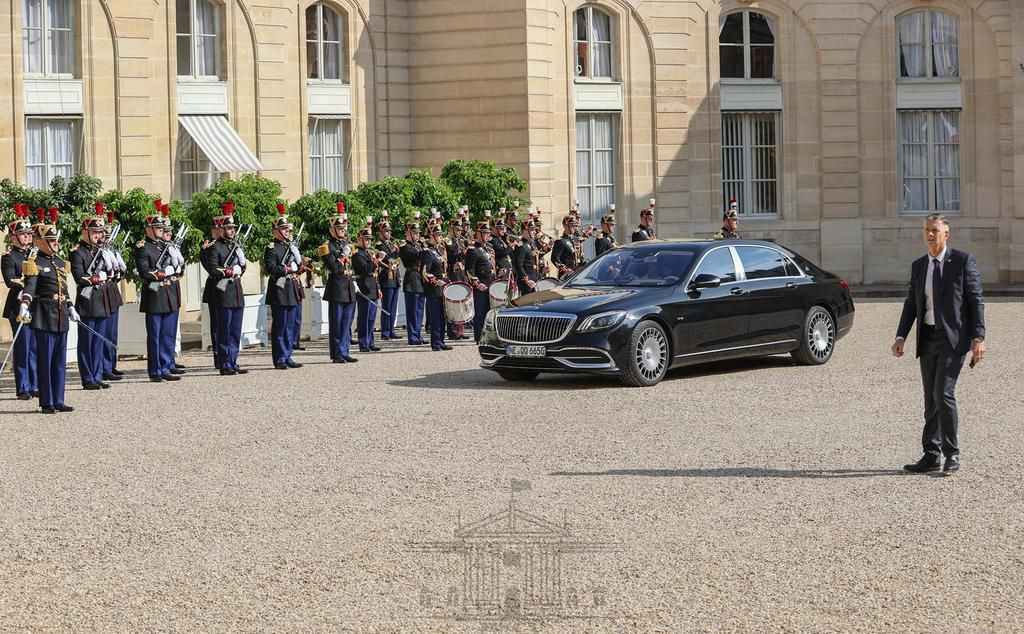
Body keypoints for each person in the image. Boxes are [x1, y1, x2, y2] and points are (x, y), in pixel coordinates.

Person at [892, 214, 986, 474]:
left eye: (934, 230)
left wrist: (979, 337)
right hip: (928, 337)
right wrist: (901, 336)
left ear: (947, 234)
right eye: (926, 230)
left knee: (942, 393)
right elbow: (912, 303)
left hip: (953, 338)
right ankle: (931, 455)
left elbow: (975, 300)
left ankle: (952, 454)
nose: (929, 234)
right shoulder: (919, 265)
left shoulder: (963, 262)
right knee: (930, 400)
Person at [19, 212, 75, 413]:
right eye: (50, 240)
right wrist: (25, 304)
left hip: (61, 316)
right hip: (44, 315)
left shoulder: (59, 262)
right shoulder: (36, 263)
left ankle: (59, 399)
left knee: (59, 362)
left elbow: (64, 288)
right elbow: (30, 287)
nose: (55, 243)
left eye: (55, 240)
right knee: (46, 361)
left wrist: (70, 306)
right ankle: (47, 402)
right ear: (40, 242)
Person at [135, 209, 183, 383]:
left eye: (162, 228)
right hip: (155, 297)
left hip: (169, 295)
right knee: (155, 336)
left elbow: (177, 269)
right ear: (149, 229)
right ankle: (155, 370)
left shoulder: (164, 246)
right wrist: (164, 273)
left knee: (168, 334)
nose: (162, 231)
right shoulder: (143, 247)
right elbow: (145, 273)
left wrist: (177, 265)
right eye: (158, 228)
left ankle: (165, 366)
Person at [203, 201, 249, 376]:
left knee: (235, 331)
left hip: (236, 293)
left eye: (233, 228)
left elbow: (242, 269)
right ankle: (224, 363)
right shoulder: (215, 247)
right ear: (221, 229)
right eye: (229, 228)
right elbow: (214, 269)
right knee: (224, 330)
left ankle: (233, 360)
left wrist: (242, 266)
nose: (232, 231)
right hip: (223, 294)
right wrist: (231, 270)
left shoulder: (235, 247)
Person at [69, 206, 113, 390]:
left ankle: (97, 374)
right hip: (87, 302)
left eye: (100, 232)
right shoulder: (77, 252)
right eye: (95, 232)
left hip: (101, 302)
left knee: (98, 341)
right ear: (85, 231)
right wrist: (98, 277)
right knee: (87, 342)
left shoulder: (99, 251)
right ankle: (87, 377)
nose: (98, 236)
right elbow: (80, 277)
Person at [263, 207, 307, 370]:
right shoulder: (271, 248)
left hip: (292, 289)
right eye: (283, 229)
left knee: (290, 325)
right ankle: (280, 358)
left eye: (288, 229)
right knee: (280, 326)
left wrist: (299, 266)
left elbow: (298, 268)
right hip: (280, 291)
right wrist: (289, 268)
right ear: (276, 231)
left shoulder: (291, 247)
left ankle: (288, 355)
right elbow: (271, 268)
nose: (287, 231)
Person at [2, 205, 38, 400]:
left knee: (35, 346)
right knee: (23, 346)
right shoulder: (9, 257)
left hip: (36, 305)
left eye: (29, 234)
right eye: (23, 234)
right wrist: (27, 283)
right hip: (18, 305)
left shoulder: (34, 254)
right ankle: (23, 387)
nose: (28, 237)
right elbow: (10, 280)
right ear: (14, 236)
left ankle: (34, 384)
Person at [319, 209, 357, 363]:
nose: (343, 231)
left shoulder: (347, 244)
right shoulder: (327, 247)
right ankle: (336, 353)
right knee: (337, 322)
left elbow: (351, 267)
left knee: (347, 322)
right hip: (337, 287)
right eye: (340, 229)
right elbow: (334, 267)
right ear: (332, 230)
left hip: (348, 286)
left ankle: (345, 350)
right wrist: (342, 255)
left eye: (344, 229)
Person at [100, 210, 126, 381]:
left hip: (112, 294)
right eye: (105, 235)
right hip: (101, 295)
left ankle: (111, 364)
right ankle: (103, 367)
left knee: (112, 333)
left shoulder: (110, 252)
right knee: (103, 333)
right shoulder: (98, 253)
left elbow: (117, 276)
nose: (108, 239)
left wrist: (119, 267)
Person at [421, 223, 452, 351]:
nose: (440, 237)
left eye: (440, 235)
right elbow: (424, 272)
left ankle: (441, 340)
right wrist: (435, 281)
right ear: (432, 236)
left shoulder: (439, 250)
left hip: (443, 286)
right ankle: (436, 342)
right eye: (438, 235)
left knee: (442, 315)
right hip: (434, 288)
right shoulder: (427, 253)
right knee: (435, 316)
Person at [464, 222, 496, 343]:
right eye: (485, 233)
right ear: (479, 234)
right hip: (481, 286)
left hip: (490, 284)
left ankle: (488, 336)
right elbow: (469, 270)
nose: (488, 236)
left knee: (489, 312)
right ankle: (479, 337)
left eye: (488, 233)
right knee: (480, 313)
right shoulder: (473, 250)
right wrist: (477, 283)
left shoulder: (487, 248)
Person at [353, 225, 382, 353]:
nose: (369, 242)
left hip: (372, 286)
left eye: (370, 239)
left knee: (371, 317)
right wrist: (377, 260)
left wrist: (378, 287)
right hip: (364, 286)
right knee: (364, 317)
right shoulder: (357, 254)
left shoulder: (367, 253)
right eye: (366, 239)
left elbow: (374, 273)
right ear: (360, 239)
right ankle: (363, 342)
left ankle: (370, 341)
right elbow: (365, 269)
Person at [399, 218, 426, 345]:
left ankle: (418, 334)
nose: (417, 235)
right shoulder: (405, 247)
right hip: (412, 278)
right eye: (415, 233)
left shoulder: (419, 246)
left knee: (420, 310)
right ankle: (412, 336)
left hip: (420, 278)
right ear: (408, 233)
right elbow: (417, 256)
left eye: (418, 233)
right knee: (412, 310)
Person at [376, 212, 401, 340]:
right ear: (380, 233)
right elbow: (385, 260)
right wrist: (393, 253)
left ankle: (391, 329)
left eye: (389, 231)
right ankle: (385, 331)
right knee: (386, 306)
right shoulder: (378, 246)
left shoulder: (391, 245)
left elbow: (396, 260)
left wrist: (397, 251)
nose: (388, 234)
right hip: (386, 277)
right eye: (386, 232)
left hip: (394, 277)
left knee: (393, 305)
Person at [445, 217, 469, 340]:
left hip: (461, 273)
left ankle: (460, 330)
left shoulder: (461, 241)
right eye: (457, 230)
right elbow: (446, 258)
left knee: (461, 302)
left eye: (460, 230)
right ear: (452, 229)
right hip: (451, 273)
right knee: (452, 303)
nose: (460, 232)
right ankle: (451, 330)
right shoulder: (447, 241)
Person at [512, 220, 539, 294]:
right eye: (532, 230)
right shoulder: (521, 246)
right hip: (526, 283)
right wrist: (527, 280)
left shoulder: (530, 244)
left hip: (533, 280)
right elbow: (518, 266)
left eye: (534, 230)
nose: (534, 232)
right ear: (525, 231)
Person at [551, 215, 581, 280]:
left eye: (575, 226)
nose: (575, 228)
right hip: (566, 275)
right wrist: (565, 269)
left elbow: (578, 256)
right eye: (572, 226)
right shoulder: (561, 241)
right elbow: (554, 258)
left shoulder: (575, 239)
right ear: (565, 226)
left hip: (577, 273)